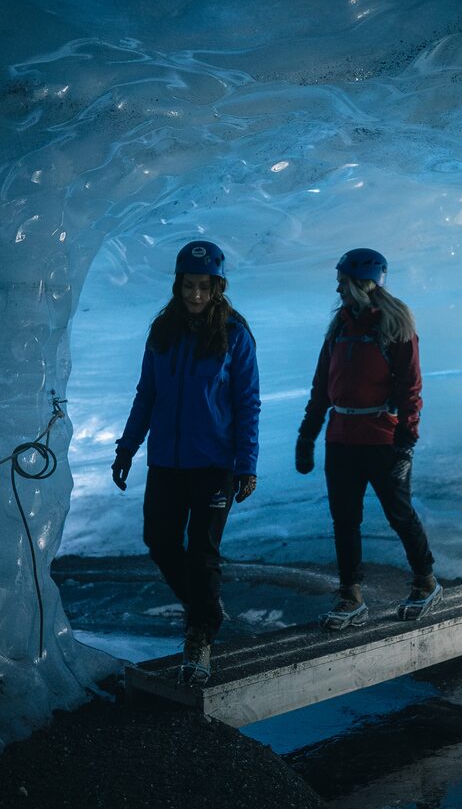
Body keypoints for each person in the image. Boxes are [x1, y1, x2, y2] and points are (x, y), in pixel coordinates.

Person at [112, 240, 260, 685]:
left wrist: (246, 463)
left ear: (218, 287)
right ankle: (207, 609)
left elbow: (247, 402)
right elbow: (147, 395)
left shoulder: (235, 334)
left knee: (202, 553)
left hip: (213, 463)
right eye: (188, 286)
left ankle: (199, 637)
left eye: (204, 287)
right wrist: (127, 448)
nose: (195, 295)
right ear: (177, 285)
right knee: (158, 541)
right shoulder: (163, 332)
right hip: (167, 463)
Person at [296, 248, 440, 629]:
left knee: (399, 513)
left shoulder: (394, 326)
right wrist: (307, 436)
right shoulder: (339, 327)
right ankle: (350, 595)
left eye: (344, 282)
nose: (339, 290)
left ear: (364, 284)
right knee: (345, 520)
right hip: (341, 439)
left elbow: (411, 387)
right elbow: (321, 387)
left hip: (382, 439)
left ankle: (425, 581)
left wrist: (406, 441)